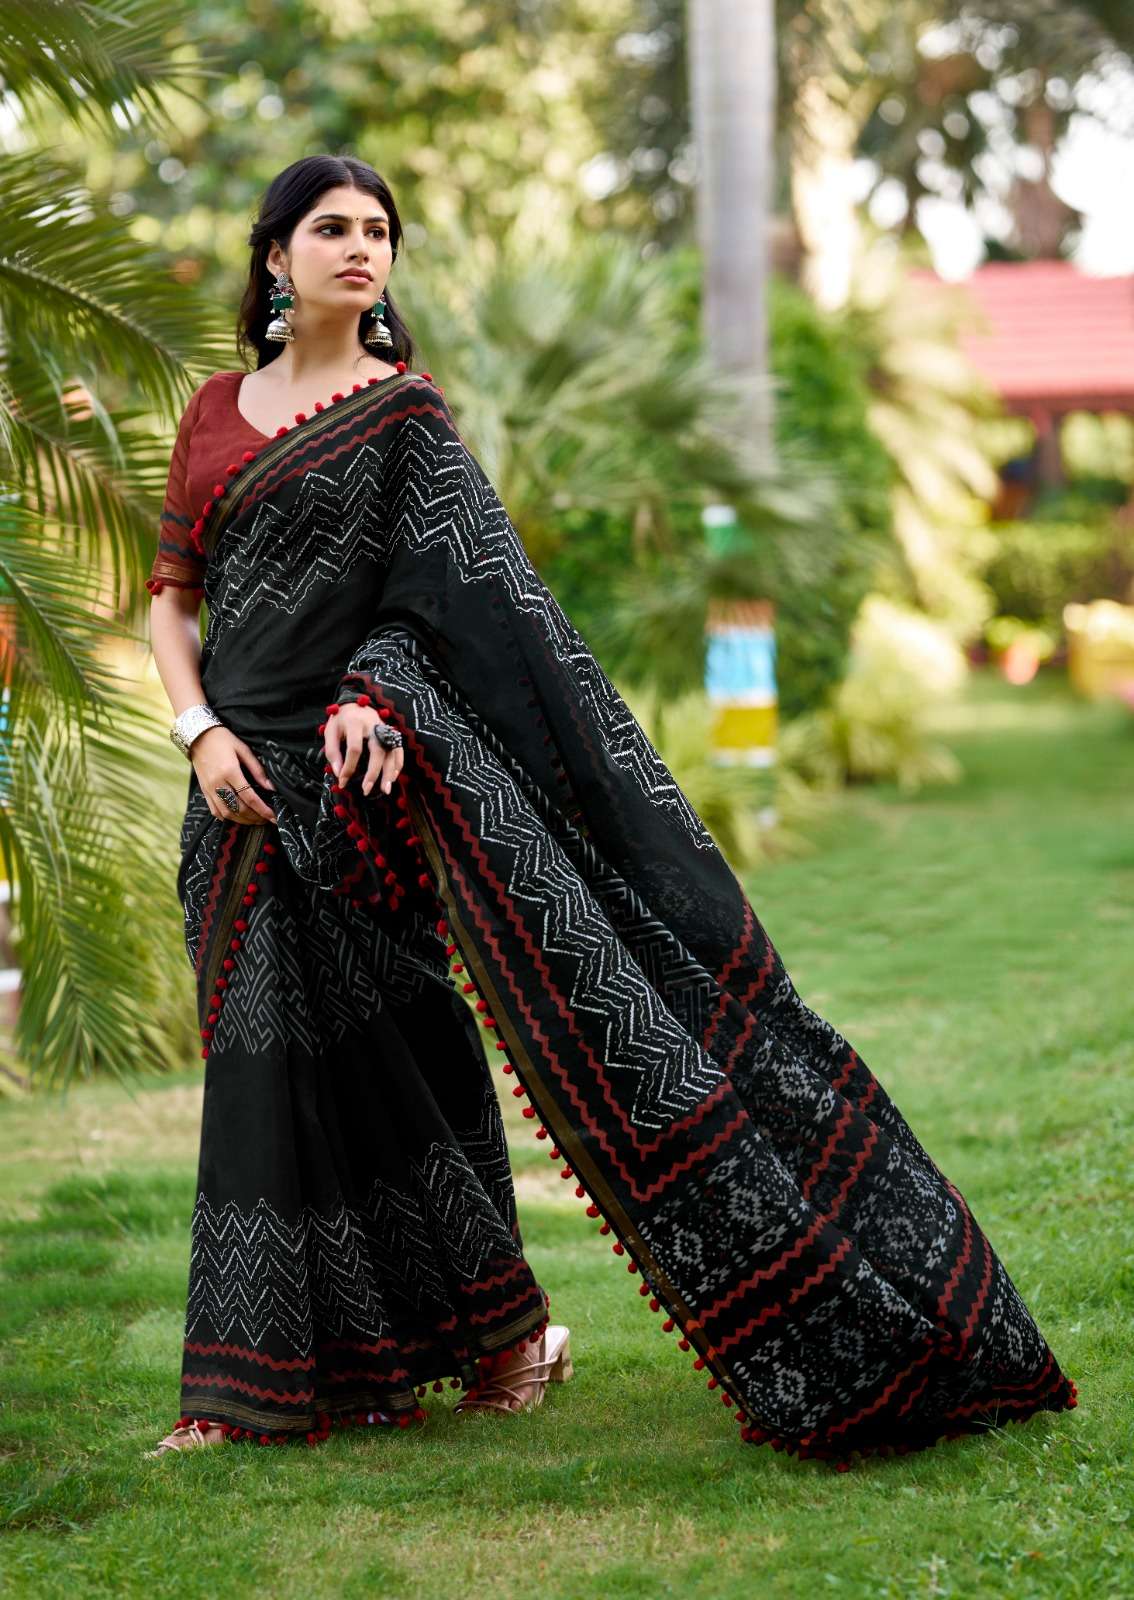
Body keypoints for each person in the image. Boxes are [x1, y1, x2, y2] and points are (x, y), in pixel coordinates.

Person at [145, 154, 1076, 1466]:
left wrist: (370, 695)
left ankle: (503, 1341)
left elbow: (450, 605)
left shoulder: (404, 417)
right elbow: (171, 598)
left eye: (380, 231)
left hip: (361, 787)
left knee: (406, 1064)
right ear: (274, 254)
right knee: (264, 1075)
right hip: (229, 793)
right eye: (332, 227)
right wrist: (197, 731)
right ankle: (284, 1380)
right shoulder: (211, 413)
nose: (361, 247)